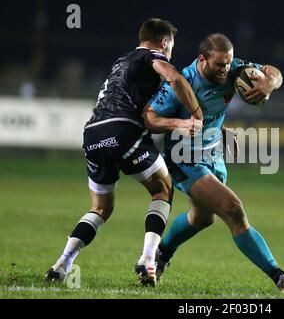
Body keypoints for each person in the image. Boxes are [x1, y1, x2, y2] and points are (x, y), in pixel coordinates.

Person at [45, 18, 203, 287]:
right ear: (164, 42)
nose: (171, 49)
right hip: (122, 129)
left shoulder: (122, 60)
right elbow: (174, 77)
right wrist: (195, 115)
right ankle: (148, 259)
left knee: (100, 208)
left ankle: (62, 263)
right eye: (171, 44)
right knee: (163, 190)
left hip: (93, 132)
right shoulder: (152, 56)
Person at [144, 33, 284, 293]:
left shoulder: (233, 68)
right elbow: (150, 117)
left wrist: (268, 84)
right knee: (233, 210)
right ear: (202, 60)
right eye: (219, 65)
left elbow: (275, 72)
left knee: (202, 218)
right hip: (185, 158)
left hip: (214, 155)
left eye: (228, 63)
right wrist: (180, 124)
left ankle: (162, 254)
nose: (226, 69)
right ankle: (279, 276)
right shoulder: (181, 83)